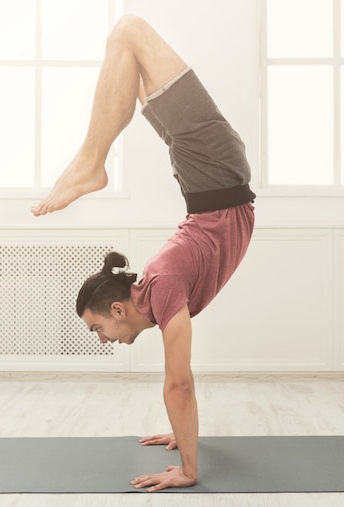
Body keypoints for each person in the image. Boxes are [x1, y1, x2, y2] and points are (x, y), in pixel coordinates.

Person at [32, 14, 255, 492]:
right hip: (206, 173)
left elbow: (180, 384)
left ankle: (91, 165)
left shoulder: (164, 288)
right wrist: (179, 431)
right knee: (126, 48)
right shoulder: (159, 290)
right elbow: (179, 384)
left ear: (118, 307)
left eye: (98, 328)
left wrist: (190, 472)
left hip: (213, 170)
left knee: (128, 32)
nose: (102, 337)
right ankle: (91, 164)